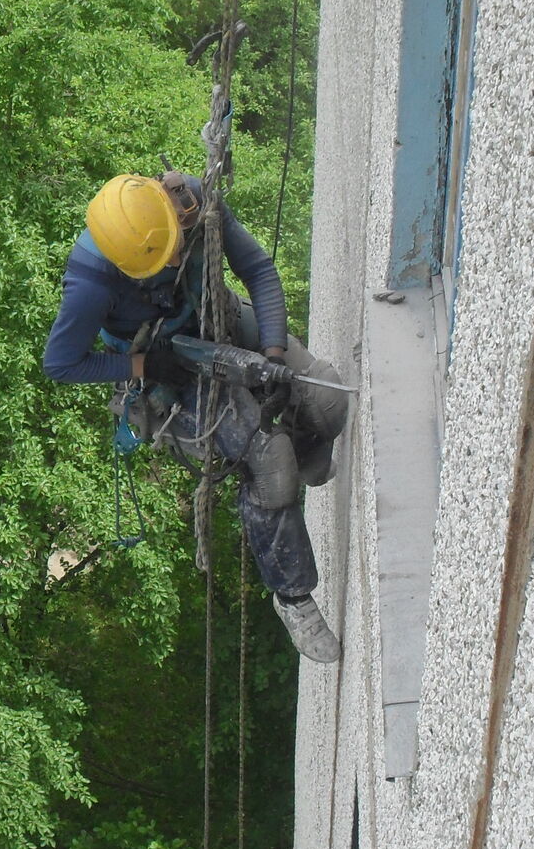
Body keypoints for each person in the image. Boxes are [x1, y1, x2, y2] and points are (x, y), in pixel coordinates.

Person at [42, 171, 349, 662]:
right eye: (168, 261)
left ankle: (309, 445)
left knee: (328, 401)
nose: (180, 259)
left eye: (180, 248)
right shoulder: (91, 283)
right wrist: (142, 365)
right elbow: (60, 363)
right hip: (173, 373)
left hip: (220, 321)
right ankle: (293, 597)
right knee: (269, 464)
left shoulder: (192, 205)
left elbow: (258, 270)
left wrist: (270, 353)